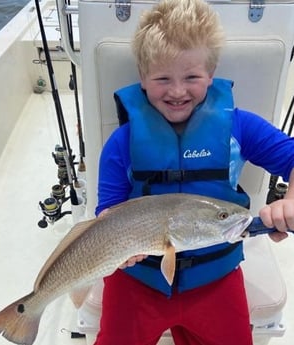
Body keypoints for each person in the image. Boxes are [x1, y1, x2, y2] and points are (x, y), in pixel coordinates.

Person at [94, 0, 294, 344]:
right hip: (137, 280)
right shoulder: (121, 142)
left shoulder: (239, 127)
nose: (176, 91)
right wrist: (121, 248)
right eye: (162, 78)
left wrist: (289, 202)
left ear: (210, 74)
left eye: (191, 77)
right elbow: (107, 212)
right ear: (142, 78)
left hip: (215, 276)